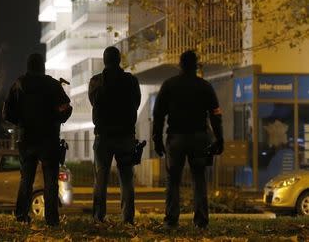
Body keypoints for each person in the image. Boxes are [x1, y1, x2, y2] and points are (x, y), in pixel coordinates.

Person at [153, 50, 224, 229]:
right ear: (196, 65)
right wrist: (219, 138)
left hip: (175, 137)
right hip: (199, 138)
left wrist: (157, 139)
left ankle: (171, 220)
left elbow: (158, 115)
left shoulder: (169, 85)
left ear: (180, 65)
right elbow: (215, 115)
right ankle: (201, 221)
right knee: (199, 179)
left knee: (173, 180)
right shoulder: (204, 86)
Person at [2, 53, 72, 226]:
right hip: (49, 139)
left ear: (28, 66)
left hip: (26, 138)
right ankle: (51, 219)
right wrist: (58, 117)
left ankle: (21, 216)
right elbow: (66, 108)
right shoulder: (53, 84)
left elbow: (6, 113)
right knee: (50, 180)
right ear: (42, 66)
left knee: (26, 179)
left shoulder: (18, 84)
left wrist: (21, 121)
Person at [88, 46, 141, 224]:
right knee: (126, 178)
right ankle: (127, 218)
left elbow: (93, 101)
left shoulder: (96, 81)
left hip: (103, 136)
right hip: (126, 135)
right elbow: (136, 102)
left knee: (100, 178)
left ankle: (98, 217)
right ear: (119, 60)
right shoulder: (131, 81)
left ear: (104, 60)